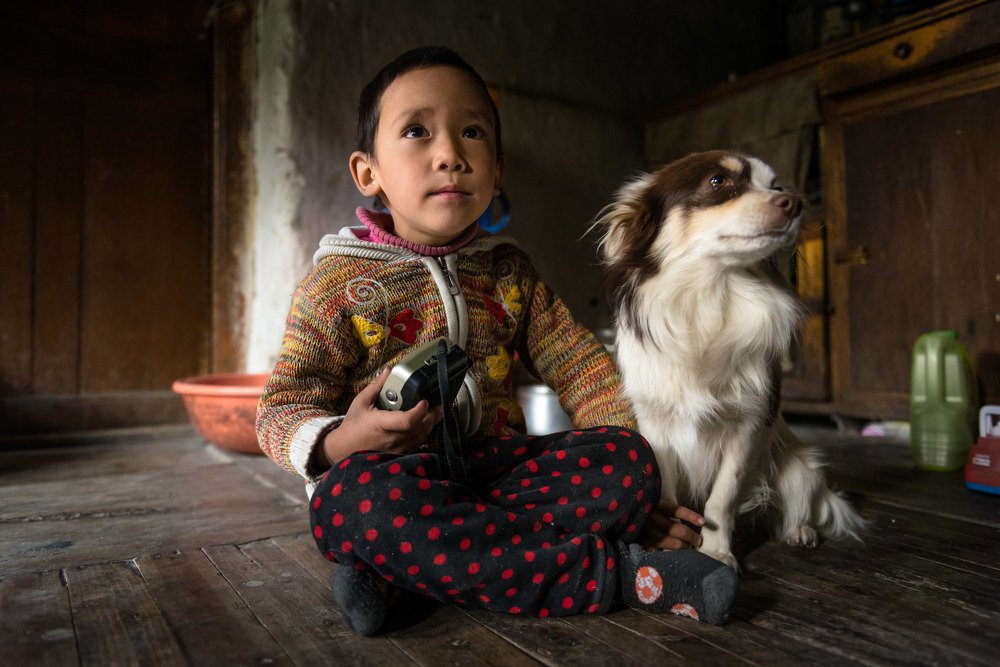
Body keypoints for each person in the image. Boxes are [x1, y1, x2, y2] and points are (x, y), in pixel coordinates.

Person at [256, 46, 738, 636]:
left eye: (472, 132)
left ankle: (400, 571)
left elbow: (583, 369)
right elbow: (279, 407)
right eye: (416, 131)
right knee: (353, 504)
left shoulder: (511, 272)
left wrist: (640, 498)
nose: (450, 155)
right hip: (393, 477)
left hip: (499, 471)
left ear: (498, 169)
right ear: (368, 172)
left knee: (628, 462)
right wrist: (340, 443)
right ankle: (619, 575)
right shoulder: (336, 283)